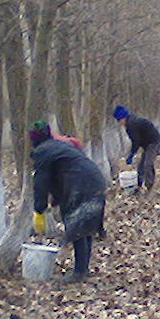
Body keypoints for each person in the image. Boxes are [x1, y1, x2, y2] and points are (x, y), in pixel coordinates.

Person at [30, 119, 107, 282]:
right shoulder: (59, 146)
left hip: (80, 185)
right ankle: (82, 268)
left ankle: (79, 272)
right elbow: (61, 173)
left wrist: (39, 209)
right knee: (85, 227)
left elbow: (41, 182)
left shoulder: (42, 152)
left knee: (77, 225)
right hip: (96, 180)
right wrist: (56, 199)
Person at [113, 105, 160, 193]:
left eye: (119, 120)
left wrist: (131, 155)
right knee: (140, 166)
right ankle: (138, 186)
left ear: (123, 118)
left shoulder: (132, 124)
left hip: (153, 142)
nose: (118, 122)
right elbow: (136, 141)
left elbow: (136, 142)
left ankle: (149, 187)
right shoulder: (129, 124)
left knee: (148, 164)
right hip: (147, 143)